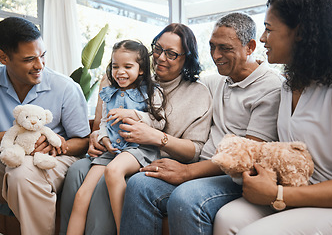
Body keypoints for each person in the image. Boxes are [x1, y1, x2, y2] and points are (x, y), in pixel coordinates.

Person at [120, 12, 284, 235]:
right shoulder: (215, 81)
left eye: (225, 48)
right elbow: (174, 84)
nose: (216, 56)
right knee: (139, 184)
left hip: (235, 177)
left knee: (186, 198)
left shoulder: (270, 88)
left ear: (250, 47)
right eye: (212, 46)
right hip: (202, 168)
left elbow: (247, 157)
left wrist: (188, 171)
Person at [213, 0, 332, 234]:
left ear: (299, 32)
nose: (262, 38)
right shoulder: (289, 84)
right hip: (298, 190)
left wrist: (279, 193)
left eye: (268, 29)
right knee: (226, 218)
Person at [60, 23, 213, 235]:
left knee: (108, 179)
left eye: (171, 53)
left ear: (186, 57)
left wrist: (158, 137)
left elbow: (195, 150)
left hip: (150, 157)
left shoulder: (198, 93)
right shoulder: (133, 79)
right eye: (157, 49)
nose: (160, 57)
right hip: (116, 149)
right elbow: (104, 121)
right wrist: (97, 136)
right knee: (76, 170)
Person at [0, 17, 90, 235]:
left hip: (53, 162)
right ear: (3, 57)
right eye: (29, 59)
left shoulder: (65, 87)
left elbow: (83, 142)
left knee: (22, 173)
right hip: (6, 157)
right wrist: (14, 138)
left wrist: (56, 146)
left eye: (42, 56)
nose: (40, 65)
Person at [66, 40, 166, 235]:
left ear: (142, 69)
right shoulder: (109, 93)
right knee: (82, 195)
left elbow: (159, 122)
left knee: (113, 171)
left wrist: (134, 115)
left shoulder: (152, 91)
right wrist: (103, 138)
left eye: (128, 66)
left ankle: (124, 230)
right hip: (111, 150)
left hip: (138, 149)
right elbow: (104, 122)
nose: (120, 71)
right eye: (115, 66)